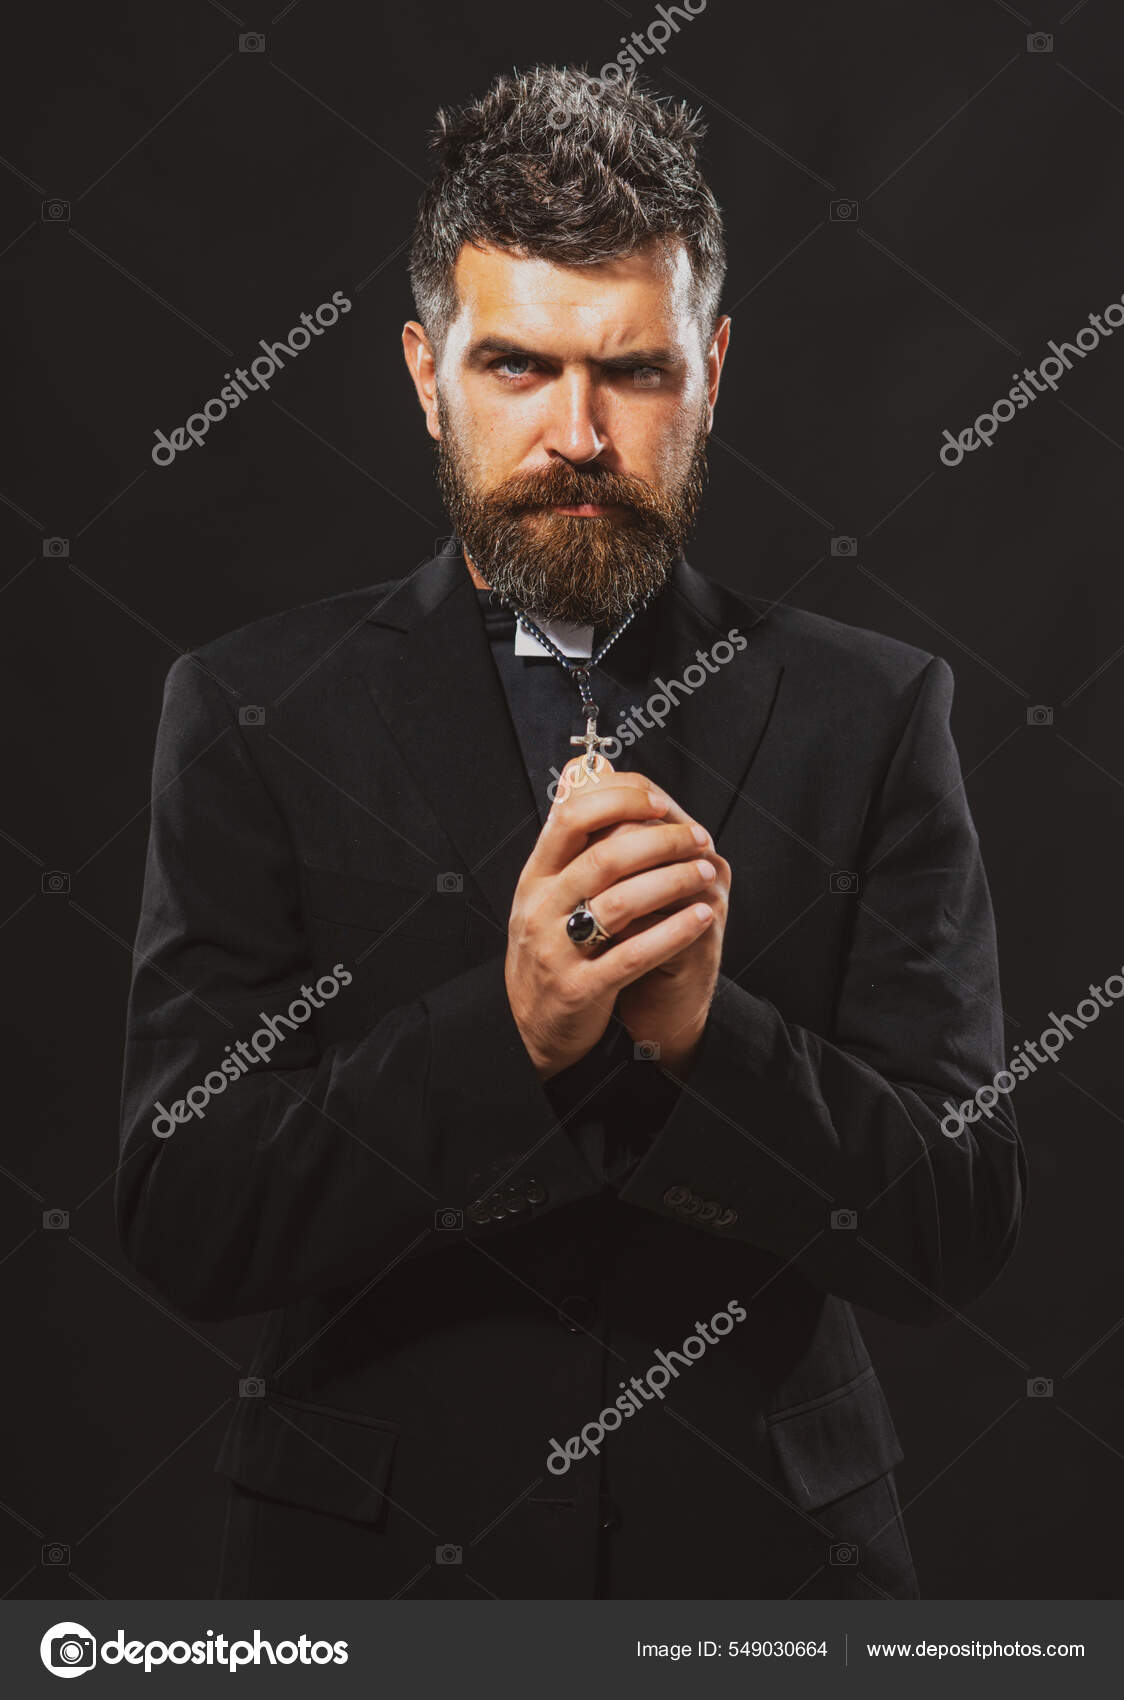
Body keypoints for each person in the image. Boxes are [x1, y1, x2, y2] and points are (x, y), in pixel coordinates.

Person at [117, 65, 1026, 1601]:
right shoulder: (249, 711)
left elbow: (957, 1225)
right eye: (518, 366)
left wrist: (708, 1041)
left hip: (773, 1576)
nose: (579, 435)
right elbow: (187, 1215)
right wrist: (513, 1032)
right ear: (428, 373)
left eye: (635, 371)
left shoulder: (876, 715)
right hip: (374, 1581)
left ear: (712, 369)